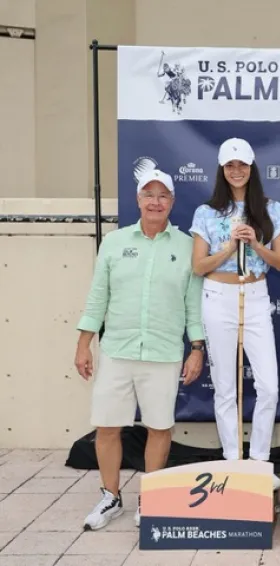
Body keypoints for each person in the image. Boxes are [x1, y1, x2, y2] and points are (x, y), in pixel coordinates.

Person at [74, 169, 205, 531]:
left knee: (159, 427)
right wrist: (83, 344)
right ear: (138, 199)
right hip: (116, 350)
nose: (155, 202)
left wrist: (197, 347)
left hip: (164, 353)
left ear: (172, 202)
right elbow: (97, 297)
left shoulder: (187, 246)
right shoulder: (114, 242)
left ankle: (151, 498)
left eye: (163, 196)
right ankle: (110, 497)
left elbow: (193, 305)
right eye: (149, 194)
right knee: (107, 426)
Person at [190, 137, 280, 490]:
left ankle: (259, 460)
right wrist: (230, 247)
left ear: (251, 167)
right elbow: (199, 266)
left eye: (242, 164)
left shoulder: (271, 208)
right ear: (221, 169)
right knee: (225, 387)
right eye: (230, 165)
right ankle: (232, 460)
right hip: (219, 295)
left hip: (256, 294)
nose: (236, 171)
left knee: (269, 386)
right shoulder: (206, 212)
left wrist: (255, 243)